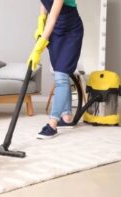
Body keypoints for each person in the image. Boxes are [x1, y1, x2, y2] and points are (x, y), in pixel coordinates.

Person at [27, 0, 84, 139]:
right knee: (61, 74)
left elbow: (52, 18)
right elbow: (44, 4)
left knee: (61, 76)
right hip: (55, 32)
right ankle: (67, 117)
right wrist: (40, 21)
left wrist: (38, 48)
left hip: (71, 32)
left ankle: (52, 125)